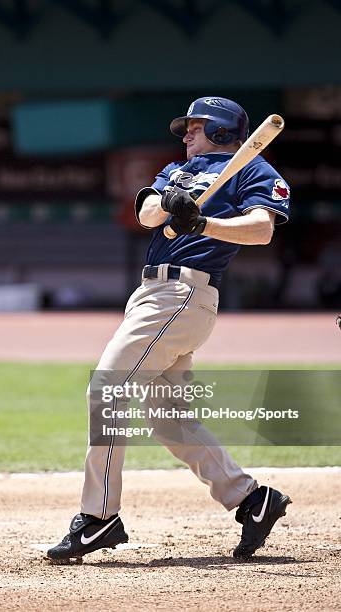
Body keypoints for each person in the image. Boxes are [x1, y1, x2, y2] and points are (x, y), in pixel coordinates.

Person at [47, 96, 292, 564]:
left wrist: (204, 222)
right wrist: (171, 204)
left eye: (195, 128)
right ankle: (252, 500)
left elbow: (261, 228)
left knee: (107, 391)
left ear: (222, 131)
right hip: (150, 296)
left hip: (183, 296)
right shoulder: (176, 170)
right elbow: (147, 214)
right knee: (168, 419)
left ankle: (99, 519)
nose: (184, 135)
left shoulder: (252, 169)